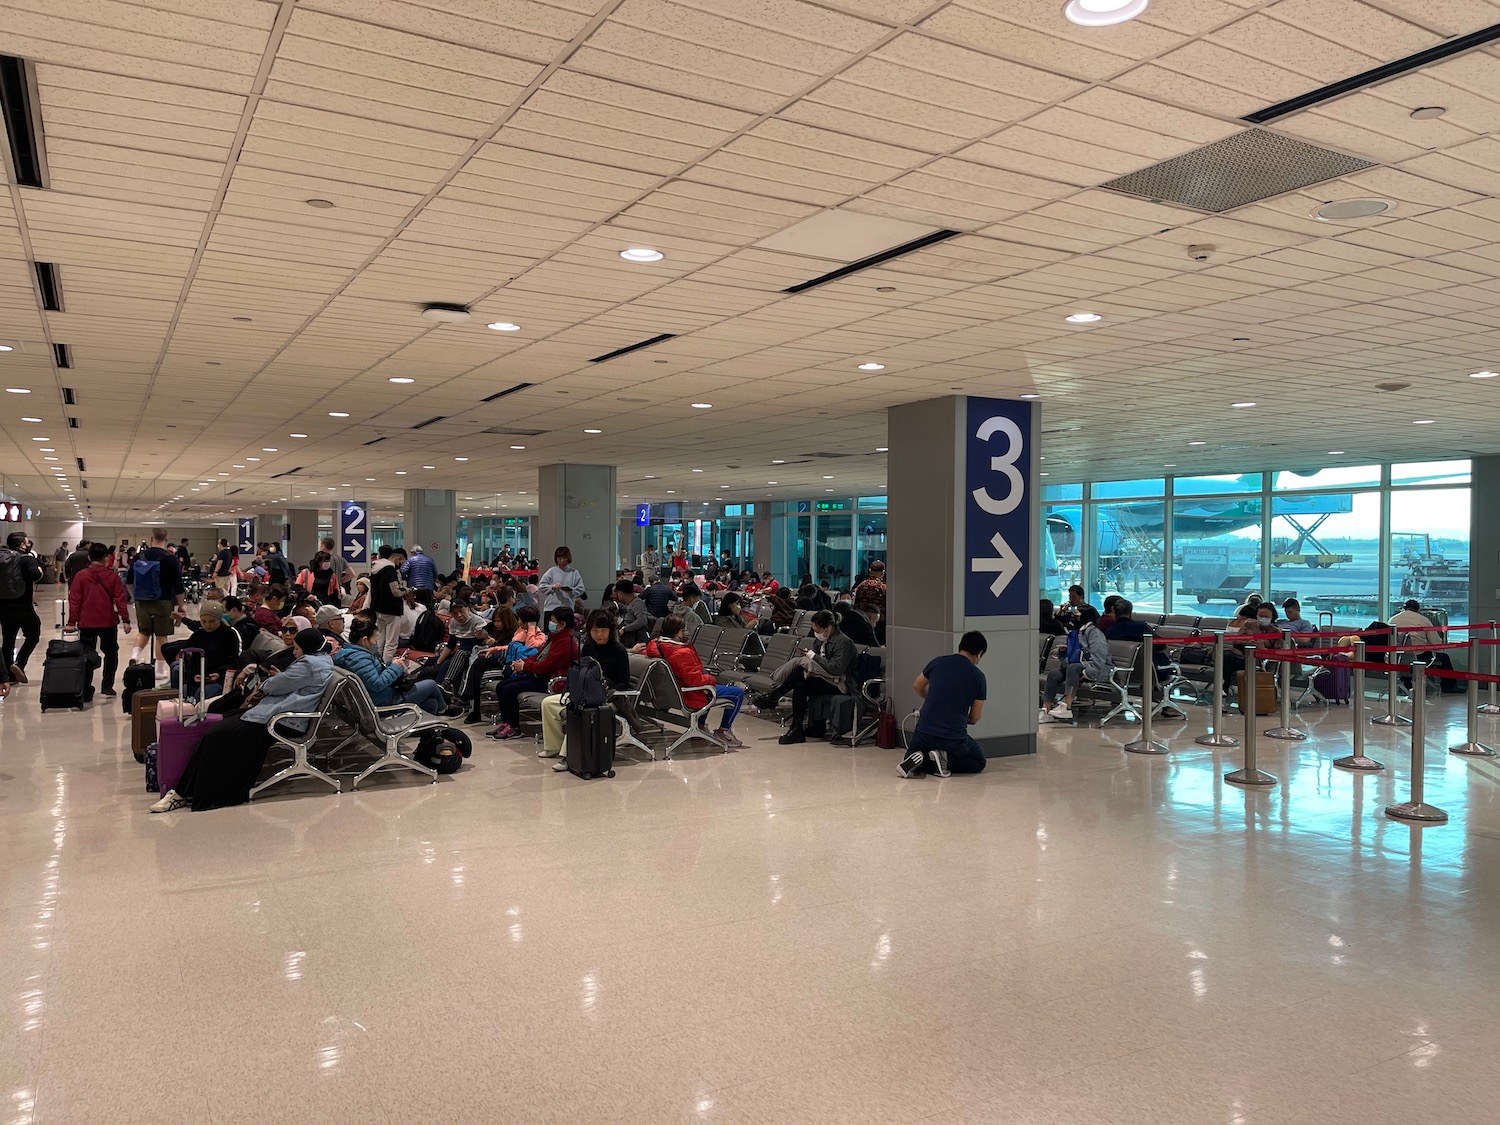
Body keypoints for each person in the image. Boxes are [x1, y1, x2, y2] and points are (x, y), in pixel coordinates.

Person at [150, 628, 335, 813]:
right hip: (275, 715)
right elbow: (286, 682)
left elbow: (275, 685)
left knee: (216, 735)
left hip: (281, 721)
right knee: (218, 726)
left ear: (307, 647)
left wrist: (271, 682)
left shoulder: (310, 664)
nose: (294, 652)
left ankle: (188, 793)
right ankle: (184, 792)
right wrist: (277, 680)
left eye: (296, 648)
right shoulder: (320, 660)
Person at [538, 609, 635, 769]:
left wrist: (604, 688)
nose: (599, 634)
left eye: (603, 630)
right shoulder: (589, 647)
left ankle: (569, 757)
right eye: (595, 630)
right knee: (548, 703)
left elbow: (623, 681)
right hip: (584, 692)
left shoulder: (618, 650)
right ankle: (553, 747)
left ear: (610, 631)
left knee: (578, 709)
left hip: (607, 697)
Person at [643, 614, 745, 749]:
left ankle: (700, 727)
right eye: (683, 629)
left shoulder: (657, 646)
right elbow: (696, 681)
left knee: (707, 687)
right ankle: (723, 731)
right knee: (737, 693)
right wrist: (711, 679)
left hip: (674, 691)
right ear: (676, 633)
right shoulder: (681, 652)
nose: (685, 632)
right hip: (690, 693)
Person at [754, 609, 856, 744]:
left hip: (840, 683)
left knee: (799, 673)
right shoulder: (820, 641)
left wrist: (813, 657)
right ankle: (796, 728)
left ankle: (776, 697)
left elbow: (836, 669)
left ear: (829, 628)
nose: (816, 634)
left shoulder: (844, 642)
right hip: (825, 679)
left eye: (818, 630)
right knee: (799, 684)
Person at [899, 631, 989, 778]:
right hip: (952, 736)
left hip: (923, 732)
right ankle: (942, 758)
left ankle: (918, 758)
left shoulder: (938, 662)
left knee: (916, 749)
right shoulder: (978, 676)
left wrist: (931, 699)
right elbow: (975, 716)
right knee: (978, 761)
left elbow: (917, 685)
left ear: (961, 646)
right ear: (979, 654)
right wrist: (969, 719)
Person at [491, 606, 580, 740]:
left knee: (510, 689)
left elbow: (546, 666)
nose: (551, 624)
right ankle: (506, 723)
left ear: (562, 624)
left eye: (553, 621)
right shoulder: (555, 638)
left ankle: (514, 728)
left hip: (551, 680)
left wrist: (525, 666)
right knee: (502, 685)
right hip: (540, 675)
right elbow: (538, 655)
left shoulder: (566, 642)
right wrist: (522, 662)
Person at [334, 617, 451, 714]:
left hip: (374, 699)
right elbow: (377, 684)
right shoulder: (359, 659)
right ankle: (444, 709)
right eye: (375, 639)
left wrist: (390, 664)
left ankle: (422, 726)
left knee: (431, 703)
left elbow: (371, 675)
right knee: (431, 684)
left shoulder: (349, 654)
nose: (375, 643)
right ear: (365, 640)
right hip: (383, 702)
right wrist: (395, 667)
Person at [66, 542, 132, 697]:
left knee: (86, 653)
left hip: (86, 621)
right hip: (107, 621)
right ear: (105, 558)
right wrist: (126, 620)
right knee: (111, 653)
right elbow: (120, 599)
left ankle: (86, 688)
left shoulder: (81, 575)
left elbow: (74, 599)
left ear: (89, 557)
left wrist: (71, 622)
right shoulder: (112, 576)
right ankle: (107, 685)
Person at [1040, 604, 1109, 723]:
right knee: (1054, 674)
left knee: (1073, 668)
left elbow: (1099, 659)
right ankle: (1046, 709)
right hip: (1078, 668)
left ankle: (1067, 705)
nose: (1073, 616)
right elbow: (1069, 663)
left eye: (1076, 614)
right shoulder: (1077, 633)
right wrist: (1065, 652)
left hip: (1098, 669)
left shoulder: (1095, 634)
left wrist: (1086, 672)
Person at [130, 529, 187, 669]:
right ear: (166, 539)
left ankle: (135, 656)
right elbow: (178, 585)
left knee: (144, 631)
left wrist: (135, 597)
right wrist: (181, 605)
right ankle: (160, 670)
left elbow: (129, 581)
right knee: (162, 636)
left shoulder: (139, 556)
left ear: (151, 539)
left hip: (142, 601)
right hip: (164, 601)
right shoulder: (170, 558)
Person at [162, 602, 242, 700]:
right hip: (200, 678)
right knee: (183, 691)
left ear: (219, 620)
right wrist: (194, 675)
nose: (208, 625)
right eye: (204, 621)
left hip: (222, 679)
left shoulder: (229, 635)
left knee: (202, 693)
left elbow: (234, 660)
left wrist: (220, 674)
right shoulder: (198, 635)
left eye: (212, 621)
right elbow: (189, 658)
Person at [0, 532, 43, 685]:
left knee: (8, 640)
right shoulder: (27, 559)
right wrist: (39, 571)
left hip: (3, 606)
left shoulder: (3, 559)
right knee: (33, 635)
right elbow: (34, 576)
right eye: (26, 541)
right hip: (23, 605)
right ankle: (19, 664)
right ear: (22, 544)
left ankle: (8, 677)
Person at [370, 545, 407, 660]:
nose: (401, 564)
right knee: (391, 642)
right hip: (392, 609)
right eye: (401, 561)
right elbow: (395, 592)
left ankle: (377, 661)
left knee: (379, 639)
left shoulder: (374, 569)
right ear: (397, 558)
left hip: (377, 608)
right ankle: (386, 667)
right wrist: (407, 591)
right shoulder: (391, 571)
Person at [538, 547, 585, 614]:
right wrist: (552, 587)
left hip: (567, 606)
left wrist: (571, 590)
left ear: (568, 558)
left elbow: (581, 588)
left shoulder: (574, 572)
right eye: (559, 558)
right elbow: (541, 586)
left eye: (564, 558)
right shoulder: (552, 571)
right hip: (551, 607)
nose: (562, 560)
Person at [611, 579, 652, 647]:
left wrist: (624, 629)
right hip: (627, 636)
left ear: (621, 593)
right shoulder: (627, 604)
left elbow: (642, 621)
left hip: (633, 638)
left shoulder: (637, 604)